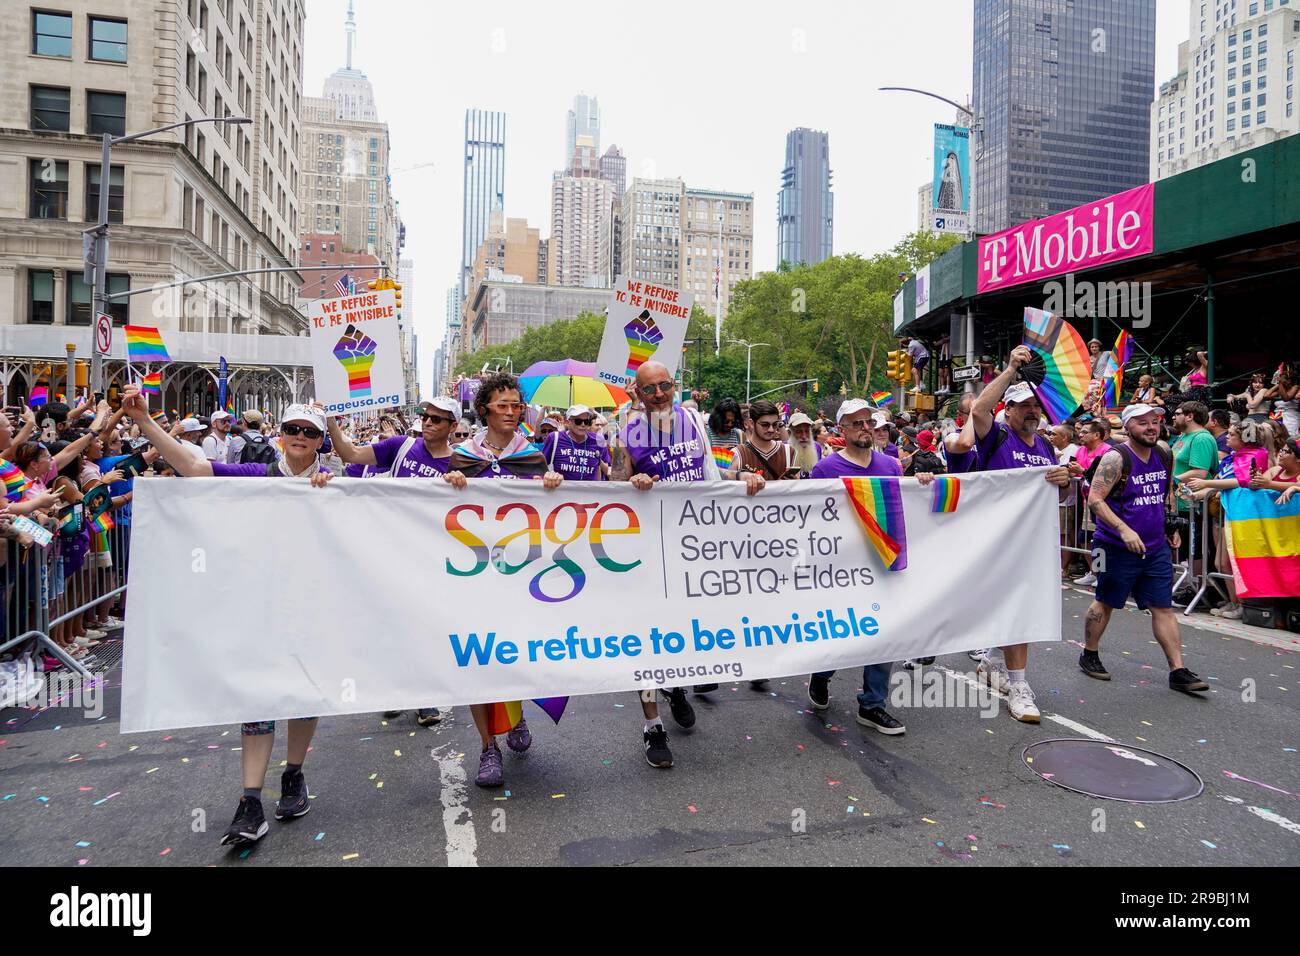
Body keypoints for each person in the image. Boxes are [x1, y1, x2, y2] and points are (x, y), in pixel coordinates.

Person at [119, 386, 333, 849]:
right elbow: (194, 468)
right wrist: (145, 422)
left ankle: (293, 776)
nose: (299, 436)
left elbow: (393, 499)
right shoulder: (255, 474)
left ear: (319, 440)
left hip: (313, 605)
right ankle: (250, 800)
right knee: (257, 697)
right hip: (257, 604)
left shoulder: (336, 481)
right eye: (293, 429)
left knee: (303, 694)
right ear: (281, 436)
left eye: (308, 431)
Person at [616, 361, 763, 767]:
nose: (659, 394)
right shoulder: (627, 432)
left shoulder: (694, 420)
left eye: (665, 386)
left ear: (674, 386)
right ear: (638, 393)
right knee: (646, 640)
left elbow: (713, 473)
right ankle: (653, 728)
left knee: (683, 631)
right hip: (648, 550)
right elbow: (612, 485)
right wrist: (632, 482)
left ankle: (676, 686)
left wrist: (745, 478)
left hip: (694, 547)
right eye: (650, 389)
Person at [442, 374, 564, 787]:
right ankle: (487, 746)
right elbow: (439, 512)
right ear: (484, 410)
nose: (512, 412)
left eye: (517, 405)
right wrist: (450, 487)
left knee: (517, 652)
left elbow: (548, 515)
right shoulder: (462, 455)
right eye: (504, 405)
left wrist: (551, 487)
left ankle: (516, 716)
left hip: (522, 574)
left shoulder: (532, 456)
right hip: (476, 574)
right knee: (480, 659)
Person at [328, 396, 462, 727]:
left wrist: (463, 483)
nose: (429, 422)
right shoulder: (401, 446)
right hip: (391, 549)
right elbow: (350, 455)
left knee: (426, 626)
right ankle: (395, 690)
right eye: (426, 416)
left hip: (433, 555)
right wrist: (331, 420)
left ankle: (424, 697)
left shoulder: (463, 463)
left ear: (453, 427)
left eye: (438, 419)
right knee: (393, 623)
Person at [805, 400, 931, 732]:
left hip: (883, 564)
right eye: (856, 423)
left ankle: (873, 704)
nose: (865, 428)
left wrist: (923, 485)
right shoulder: (825, 470)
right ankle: (822, 673)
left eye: (869, 422)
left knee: (884, 632)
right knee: (840, 635)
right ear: (841, 430)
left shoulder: (892, 466)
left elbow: (907, 506)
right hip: (842, 570)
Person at [970, 347, 1072, 723]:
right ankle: (1019, 686)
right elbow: (978, 410)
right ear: (1007, 410)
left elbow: (1057, 493)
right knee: (1015, 608)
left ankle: (994, 662)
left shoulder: (1046, 445)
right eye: (1023, 405)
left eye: (1036, 406)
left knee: (1017, 607)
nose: (1032, 411)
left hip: (1035, 543)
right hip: (997, 542)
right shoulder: (994, 436)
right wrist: (1012, 368)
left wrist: (1064, 482)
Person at [1080, 404, 1209, 694]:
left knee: (1162, 607)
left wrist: (1171, 527)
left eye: (1155, 421)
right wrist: (1124, 530)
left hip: (1154, 548)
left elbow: (1166, 493)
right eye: (1142, 423)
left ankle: (1177, 670)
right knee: (1106, 600)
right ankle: (1089, 653)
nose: (1151, 427)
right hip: (1113, 546)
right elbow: (1095, 500)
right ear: (1128, 427)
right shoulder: (1115, 458)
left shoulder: (1164, 453)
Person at [1170, 400, 1218, 591]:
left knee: (1196, 546)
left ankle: (1197, 589)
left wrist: (1170, 479)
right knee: (1186, 545)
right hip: (1181, 502)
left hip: (1195, 503)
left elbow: (1200, 472)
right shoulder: (1184, 436)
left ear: (1190, 416)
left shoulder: (1201, 438)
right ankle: (1188, 585)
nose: (1173, 416)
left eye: (1178, 412)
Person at [541, 404, 610, 481]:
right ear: (568, 422)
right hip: (560, 490)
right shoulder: (554, 438)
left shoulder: (598, 440)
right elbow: (541, 467)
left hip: (589, 491)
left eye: (586, 422)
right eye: (578, 421)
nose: (583, 425)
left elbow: (603, 469)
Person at [786, 412, 826, 476]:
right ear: (790, 433)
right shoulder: (784, 450)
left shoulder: (817, 447)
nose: (804, 436)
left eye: (807, 431)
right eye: (799, 431)